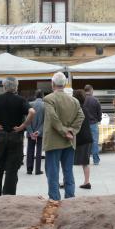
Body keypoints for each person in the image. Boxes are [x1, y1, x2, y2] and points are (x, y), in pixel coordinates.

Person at [0, 77, 35, 197]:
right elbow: (32, 112)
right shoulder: (20, 100)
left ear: (4, 86)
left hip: (1, 135)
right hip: (15, 136)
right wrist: (23, 126)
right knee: (12, 169)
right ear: (16, 87)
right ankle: (8, 194)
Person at [43, 72, 85, 202]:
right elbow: (81, 117)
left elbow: (53, 118)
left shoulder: (49, 99)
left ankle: (55, 199)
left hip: (53, 142)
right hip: (69, 141)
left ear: (53, 84)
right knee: (68, 171)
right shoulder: (74, 100)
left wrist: (63, 131)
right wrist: (71, 131)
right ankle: (70, 198)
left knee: (52, 172)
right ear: (65, 84)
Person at [73, 89, 93, 189]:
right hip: (88, 138)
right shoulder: (85, 109)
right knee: (85, 162)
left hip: (80, 139)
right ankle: (86, 182)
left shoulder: (75, 109)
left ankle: (67, 181)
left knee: (67, 161)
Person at [26, 89, 45, 175]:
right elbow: (45, 121)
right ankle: (38, 170)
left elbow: (27, 120)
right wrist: (39, 131)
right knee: (39, 150)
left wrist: (30, 132)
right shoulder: (45, 105)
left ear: (35, 95)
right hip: (40, 132)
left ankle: (29, 169)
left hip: (31, 131)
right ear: (42, 96)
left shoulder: (29, 104)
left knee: (30, 150)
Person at [84, 84, 102, 165]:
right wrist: (98, 119)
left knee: (85, 142)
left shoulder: (81, 99)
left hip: (84, 124)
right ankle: (95, 160)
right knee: (94, 142)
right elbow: (99, 113)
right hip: (93, 123)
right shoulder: (95, 100)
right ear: (91, 90)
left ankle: (84, 159)